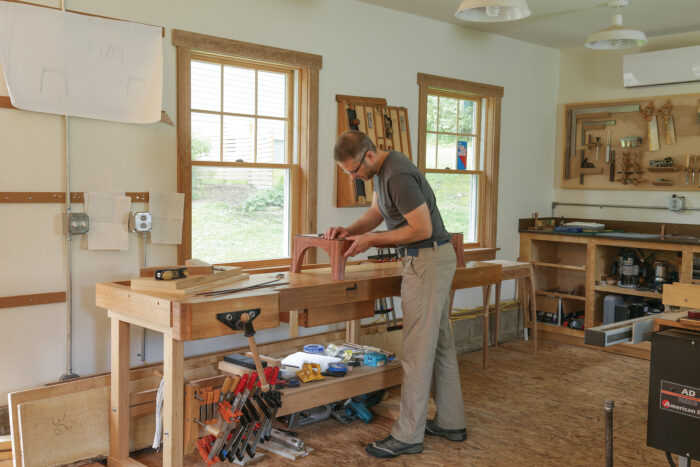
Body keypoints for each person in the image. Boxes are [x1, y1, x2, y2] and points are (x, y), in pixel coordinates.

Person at [327, 130, 467, 459]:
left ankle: (407, 435)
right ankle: (450, 422)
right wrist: (351, 230)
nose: (354, 177)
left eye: (354, 171)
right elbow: (378, 213)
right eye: (348, 173)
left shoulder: (398, 174)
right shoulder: (381, 173)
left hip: (427, 259)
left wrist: (373, 241)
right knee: (440, 344)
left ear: (370, 156)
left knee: (417, 351)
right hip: (429, 259)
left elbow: (422, 229)